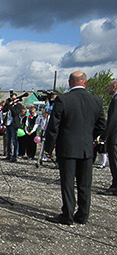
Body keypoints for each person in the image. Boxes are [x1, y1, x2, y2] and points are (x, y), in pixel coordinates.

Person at [44, 71, 105, 225]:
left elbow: (53, 127)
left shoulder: (63, 99)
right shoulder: (96, 100)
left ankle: (68, 214)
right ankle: (83, 215)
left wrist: (48, 149)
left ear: (70, 82)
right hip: (87, 149)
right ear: (85, 82)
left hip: (67, 148)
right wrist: (90, 138)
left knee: (68, 183)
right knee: (85, 184)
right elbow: (101, 126)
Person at [100, 79, 117, 195]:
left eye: (109, 86)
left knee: (114, 162)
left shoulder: (116, 100)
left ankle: (115, 186)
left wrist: (105, 135)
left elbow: (112, 120)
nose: (107, 89)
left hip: (115, 137)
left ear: (115, 87)